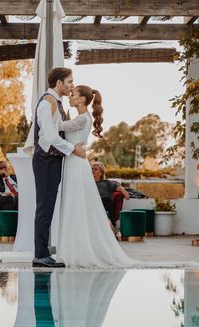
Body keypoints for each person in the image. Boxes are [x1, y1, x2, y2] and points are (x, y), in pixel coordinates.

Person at [55, 86, 138, 267]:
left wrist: (54, 108)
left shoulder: (82, 119)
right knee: (73, 205)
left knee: (75, 205)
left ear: (82, 100)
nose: (70, 96)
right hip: (73, 162)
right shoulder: (82, 118)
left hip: (75, 164)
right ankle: (73, 248)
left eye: (73, 94)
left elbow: (57, 126)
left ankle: (76, 250)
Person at [31, 67, 87, 268]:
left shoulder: (56, 102)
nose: (72, 85)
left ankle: (43, 252)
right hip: (45, 160)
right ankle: (40, 255)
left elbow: (59, 128)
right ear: (59, 83)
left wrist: (80, 125)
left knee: (48, 206)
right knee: (44, 207)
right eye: (70, 81)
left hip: (52, 160)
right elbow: (48, 136)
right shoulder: (47, 102)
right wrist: (73, 149)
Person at [90, 161, 129, 226]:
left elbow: (117, 186)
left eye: (95, 169)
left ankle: (113, 230)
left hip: (104, 205)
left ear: (101, 173)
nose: (93, 170)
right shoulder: (88, 182)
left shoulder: (106, 183)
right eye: (92, 168)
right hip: (92, 205)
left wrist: (124, 191)